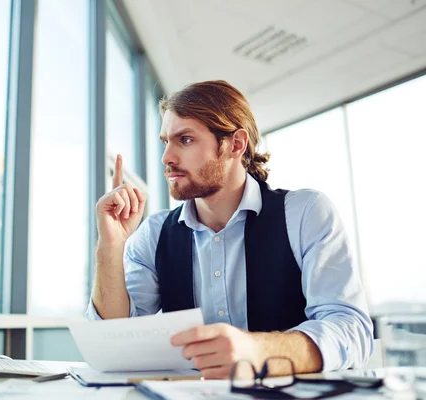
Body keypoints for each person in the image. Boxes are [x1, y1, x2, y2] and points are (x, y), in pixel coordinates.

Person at [86, 80, 373, 379]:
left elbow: (350, 327)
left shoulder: (306, 213)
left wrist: (259, 352)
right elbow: (114, 341)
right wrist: (110, 247)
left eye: (185, 140)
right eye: (165, 142)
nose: (167, 158)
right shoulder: (154, 234)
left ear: (236, 144)